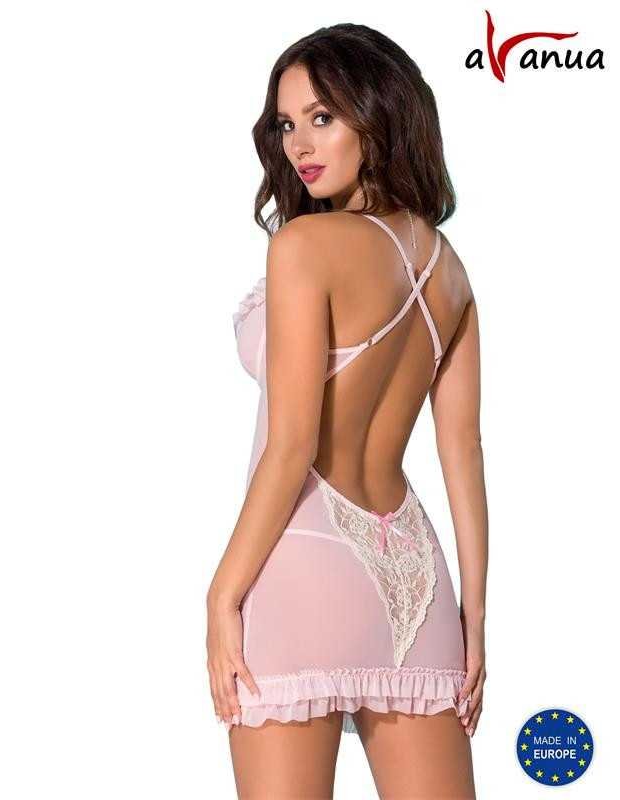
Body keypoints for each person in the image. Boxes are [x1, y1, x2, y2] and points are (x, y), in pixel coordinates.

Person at [207, 23, 488, 799]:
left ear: (378, 112)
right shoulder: (451, 271)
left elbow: (292, 443)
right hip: (418, 579)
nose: (298, 143)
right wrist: (473, 616)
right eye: (286, 123)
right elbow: (463, 453)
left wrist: (222, 593)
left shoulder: (305, 246)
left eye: (322, 116)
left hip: (300, 557)